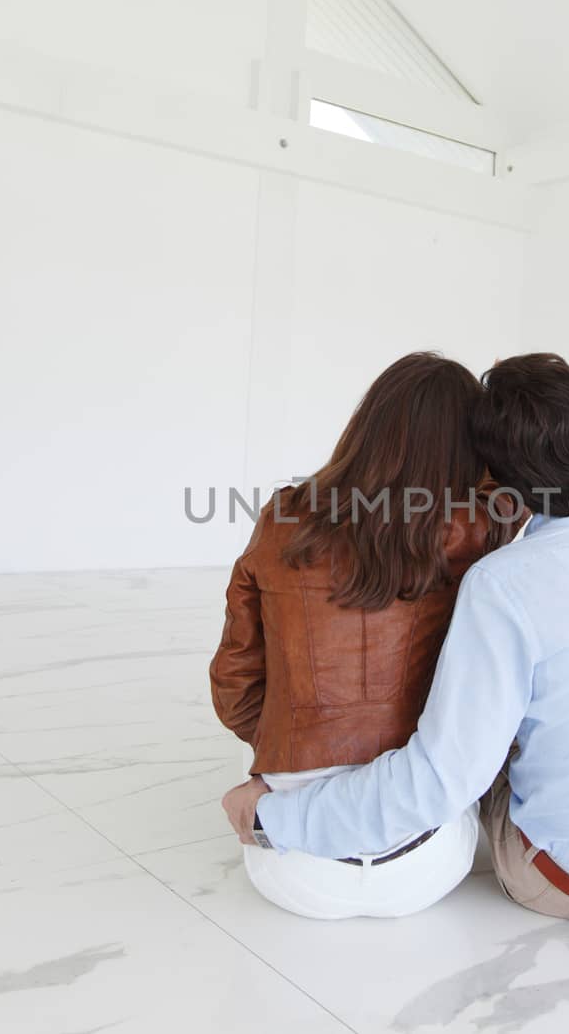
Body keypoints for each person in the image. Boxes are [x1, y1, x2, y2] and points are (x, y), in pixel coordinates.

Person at [223, 353, 569, 921]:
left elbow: (439, 780)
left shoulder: (501, 581)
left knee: (483, 726)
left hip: (565, 884)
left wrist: (275, 809)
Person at [209, 352, 511, 919]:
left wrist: (287, 738)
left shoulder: (283, 519)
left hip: (286, 861)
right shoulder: (483, 528)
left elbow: (235, 687)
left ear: (365, 424)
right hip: (432, 861)